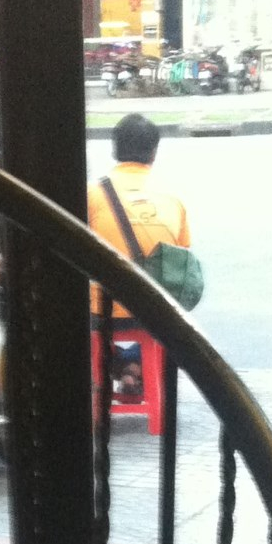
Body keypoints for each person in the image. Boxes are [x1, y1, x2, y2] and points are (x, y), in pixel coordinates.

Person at [86, 113, 192, 401]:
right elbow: (182, 260)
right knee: (158, 337)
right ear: (154, 153)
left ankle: (117, 375)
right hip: (154, 313)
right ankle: (142, 377)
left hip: (102, 312)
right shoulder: (173, 199)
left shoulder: (91, 195)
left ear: (114, 150)